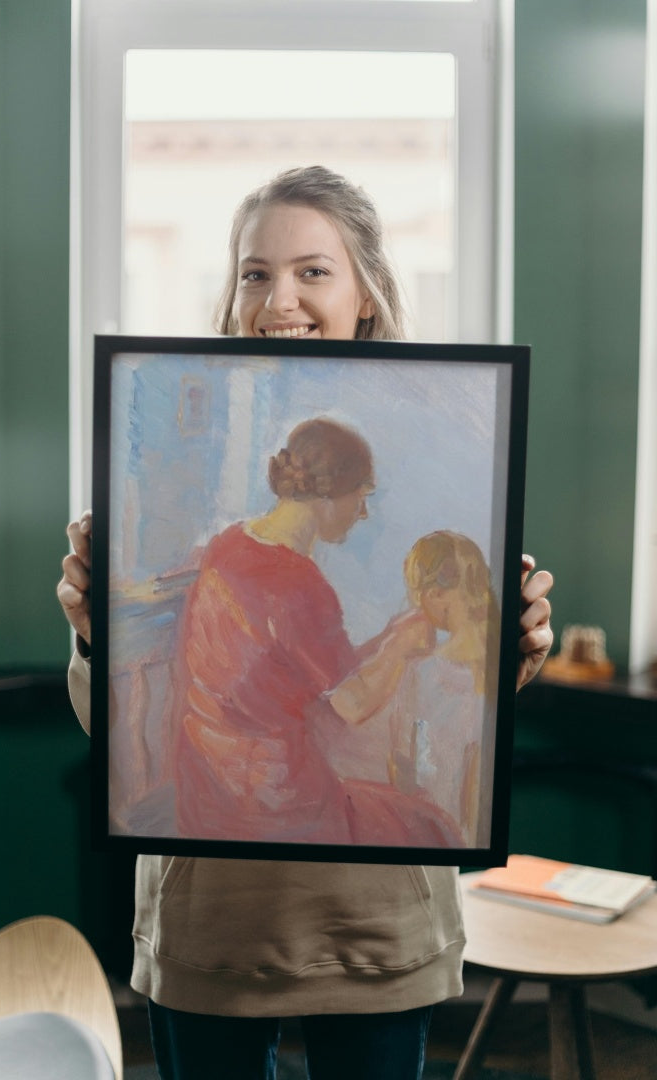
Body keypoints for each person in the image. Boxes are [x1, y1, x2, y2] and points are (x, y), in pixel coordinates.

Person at [58, 165, 554, 1080]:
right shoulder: (274, 574)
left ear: (366, 292)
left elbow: (335, 694)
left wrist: (506, 658)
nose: (277, 297)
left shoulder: (232, 549)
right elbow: (339, 706)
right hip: (218, 914)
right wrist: (94, 637)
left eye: (312, 271)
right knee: (405, 812)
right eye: (254, 272)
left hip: (362, 931)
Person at [174, 415, 463, 849]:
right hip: (273, 805)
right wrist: (400, 648)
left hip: (204, 790)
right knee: (433, 828)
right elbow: (353, 703)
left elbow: (308, 667)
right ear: (328, 495)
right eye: (361, 496)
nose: (363, 513)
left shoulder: (230, 544)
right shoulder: (299, 583)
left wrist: (385, 640)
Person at [388, 531, 501, 846]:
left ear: (437, 593)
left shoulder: (420, 674)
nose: (417, 604)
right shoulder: (496, 670)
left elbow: (402, 769)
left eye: (417, 592)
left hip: (430, 835)